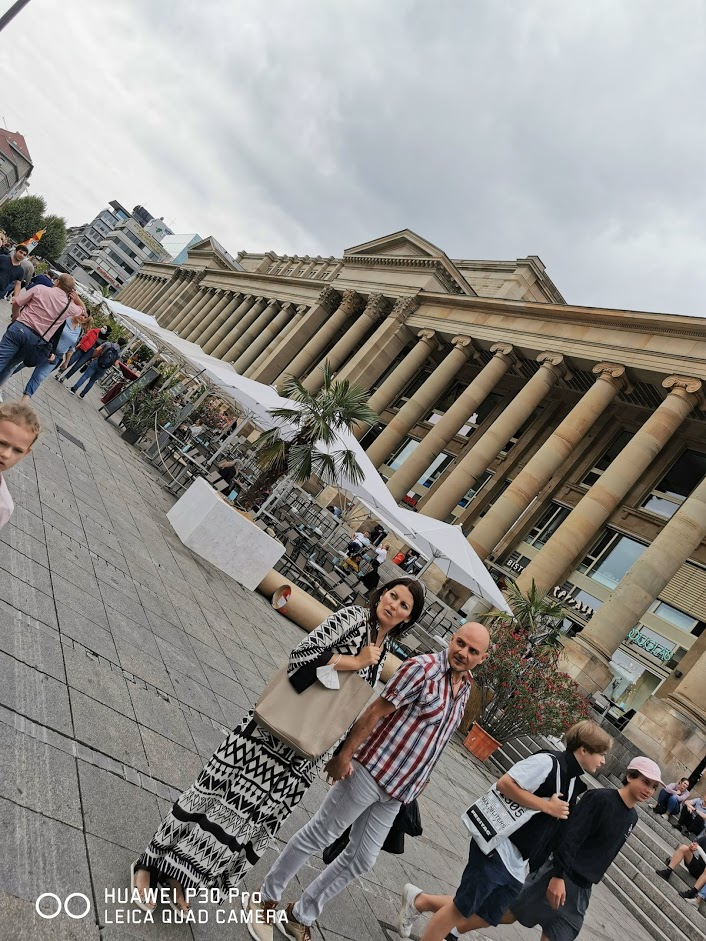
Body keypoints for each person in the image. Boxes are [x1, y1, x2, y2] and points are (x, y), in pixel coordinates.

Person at [132, 578, 426, 916]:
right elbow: (303, 654)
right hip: (272, 732)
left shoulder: (383, 648)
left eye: (404, 605)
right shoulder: (353, 619)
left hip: (302, 753)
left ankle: (182, 876)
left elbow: (344, 704)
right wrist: (354, 662)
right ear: (381, 594)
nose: (394, 605)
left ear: (408, 618)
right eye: (393, 595)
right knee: (215, 793)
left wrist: (337, 752)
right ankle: (148, 864)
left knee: (247, 817)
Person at [253, 622, 492, 941]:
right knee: (321, 832)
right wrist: (344, 754)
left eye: (472, 650)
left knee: (362, 858)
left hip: (398, 791)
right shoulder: (421, 669)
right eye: (460, 643)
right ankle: (265, 898)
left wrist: (421, 781)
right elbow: (375, 712)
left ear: (482, 658)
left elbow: (437, 739)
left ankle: (300, 914)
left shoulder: (465, 690)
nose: (462, 652)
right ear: (451, 639)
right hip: (369, 771)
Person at [399, 720, 613, 941]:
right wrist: (546, 806)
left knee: (491, 914)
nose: (603, 760)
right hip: (499, 846)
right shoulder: (547, 762)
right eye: (601, 753)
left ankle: (419, 901)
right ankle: (428, 918)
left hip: (519, 862)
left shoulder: (571, 782)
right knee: (460, 908)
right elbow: (505, 784)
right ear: (584, 749)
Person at [502, 757, 661, 941]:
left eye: (654, 787)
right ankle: (460, 924)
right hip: (558, 876)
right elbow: (570, 836)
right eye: (645, 782)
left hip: (581, 890)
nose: (649, 790)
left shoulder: (632, 817)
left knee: (559, 936)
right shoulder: (600, 798)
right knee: (508, 913)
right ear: (629, 776)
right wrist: (557, 875)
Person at [0, 274, 85, 401]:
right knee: (11, 365)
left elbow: (17, 302)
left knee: (1, 358)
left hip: (20, 328)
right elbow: (83, 311)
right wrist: (77, 299)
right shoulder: (69, 306)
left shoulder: (40, 289)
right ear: (70, 291)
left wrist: (15, 318)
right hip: (36, 341)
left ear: (56, 282)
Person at [16, 306, 88, 399]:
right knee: (21, 364)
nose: (82, 317)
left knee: (39, 377)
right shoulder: (65, 320)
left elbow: (71, 348)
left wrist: (66, 362)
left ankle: (24, 401)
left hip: (56, 357)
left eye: (85, 317)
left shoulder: (80, 330)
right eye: (81, 314)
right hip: (44, 348)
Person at [0, 400, 41, 528]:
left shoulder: (4, 506)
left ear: (26, 453)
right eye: (1, 442)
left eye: (17, 450)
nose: (6, 454)